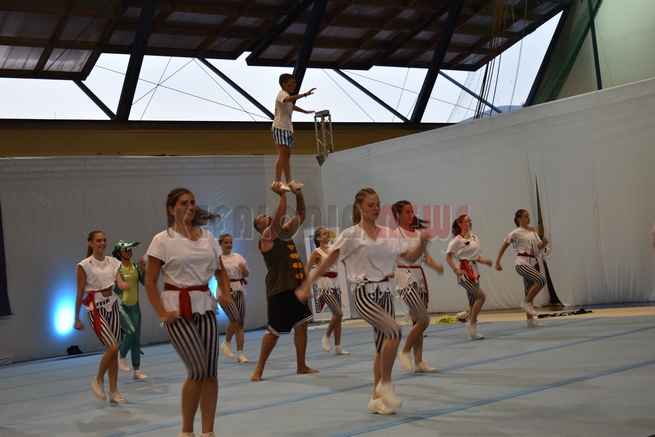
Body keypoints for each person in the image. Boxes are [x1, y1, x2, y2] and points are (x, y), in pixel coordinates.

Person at [298, 188, 429, 415]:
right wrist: (307, 284)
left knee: (381, 348)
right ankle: (385, 384)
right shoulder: (350, 235)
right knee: (394, 331)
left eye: (378, 204)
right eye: (370, 205)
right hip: (364, 293)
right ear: (359, 207)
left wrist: (422, 244)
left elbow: (409, 257)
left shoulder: (388, 233)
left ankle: (376, 399)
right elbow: (328, 260)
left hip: (385, 293)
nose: (376, 208)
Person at [144, 187, 232, 437]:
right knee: (198, 369)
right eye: (184, 203)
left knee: (211, 372)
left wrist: (225, 293)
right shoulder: (161, 240)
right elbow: (150, 282)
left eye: (192, 202)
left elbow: (220, 271)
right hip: (177, 311)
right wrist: (162, 312)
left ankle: (208, 432)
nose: (190, 206)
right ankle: (186, 431)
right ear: (172, 209)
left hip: (205, 307)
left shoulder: (208, 238)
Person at [251, 181, 318, 382]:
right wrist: (281, 195)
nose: (268, 216)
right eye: (264, 217)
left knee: (302, 326)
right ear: (260, 227)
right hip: (279, 290)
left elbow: (301, 215)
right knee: (273, 332)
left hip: (296, 288)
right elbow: (278, 220)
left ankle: (301, 366)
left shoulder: (285, 232)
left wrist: (298, 195)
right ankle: (259, 369)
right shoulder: (266, 238)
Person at [75, 230, 130, 404]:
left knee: (114, 351)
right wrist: (76, 318)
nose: (102, 243)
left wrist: (123, 284)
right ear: (90, 243)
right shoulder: (84, 265)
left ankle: (114, 392)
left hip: (112, 305)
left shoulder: (112, 262)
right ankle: (98, 379)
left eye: (104, 240)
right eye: (99, 240)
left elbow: (118, 281)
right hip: (95, 308)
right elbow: (79, 292)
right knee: (112, 347)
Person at [392, 200, 443, 373]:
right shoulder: (396, 235)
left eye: (412, 211)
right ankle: (405, 350)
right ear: (399, 215)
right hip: (406, 277)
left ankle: (419, 363)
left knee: (417, 322)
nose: (411, 214)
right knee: (423, 319)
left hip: (418, 277)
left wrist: (436, 266)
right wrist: (422, 243)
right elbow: (410, 257)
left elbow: (425, 256)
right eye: (407, 212)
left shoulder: (417, 233)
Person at [495, 209, 549, 328]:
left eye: (528, 216)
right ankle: (526, 302)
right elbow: (504, 246)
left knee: (529, 291)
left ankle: (530, 321)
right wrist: (497, 261)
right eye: (525, 216)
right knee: (541, 280)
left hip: (532, 262)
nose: (528, 218)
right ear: (519, 219)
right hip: (522, 263)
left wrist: (544, 243)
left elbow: (538, 246)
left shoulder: (532, 232)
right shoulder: (515, 233)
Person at [445, 215, 493, 340]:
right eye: (467, 221)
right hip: (464, 273)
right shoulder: (457, 240)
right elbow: (448, 257)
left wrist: (486, 261)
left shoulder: (474, 238)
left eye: (470, 220)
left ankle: (472, 329)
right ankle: (472, 324)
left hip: (474, 271)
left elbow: (477, 257)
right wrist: (455, 269)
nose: (470, 222)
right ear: (460, 224)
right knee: (481, 296)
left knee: (472, 302)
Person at [305, 227, 350, 356]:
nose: (327, 235)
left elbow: (344, 260)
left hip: (335, 283)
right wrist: (307, 287)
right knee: (338, 312)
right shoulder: (316, 252)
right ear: (319, 238)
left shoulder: (333, 249)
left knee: (338, 317)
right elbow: (307, 270)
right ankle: (326, 336)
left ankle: (338, 347)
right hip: (324, 285)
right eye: (324, 234)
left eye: (327, 233)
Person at [272, 73, 315, 190]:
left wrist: (305, 111)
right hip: (280, 127)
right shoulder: (282, 94)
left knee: (287, 155)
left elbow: (291, 105)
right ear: (284, 84)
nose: (294, 85)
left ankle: (289, 181)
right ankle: (277, 181)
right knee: (282, 154)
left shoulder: (286, 96)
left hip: (287, 128)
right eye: (291, 83)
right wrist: (305, 94)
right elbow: (288, 99)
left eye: (294, 83)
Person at [112, 240, 149, 380]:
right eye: (126, 250)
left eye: (130, 249)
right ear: (119, 252)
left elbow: (146, 283)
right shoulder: (116, 268)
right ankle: (121, 356)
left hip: (135, 306)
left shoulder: (135, 266)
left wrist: (143, 270)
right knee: (131, 331)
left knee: (136, 337)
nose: (129, 252)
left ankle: (136, 370)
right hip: (121, 305)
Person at [218, 233, 250, 364]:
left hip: (239, 290)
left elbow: (246, 274)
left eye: (230, 242)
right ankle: (226, 342)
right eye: (226, 243)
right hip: (225, 292)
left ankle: (240, 354)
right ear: (221, 244)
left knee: (240, 323)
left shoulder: (238, 257)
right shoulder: (218, 258)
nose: (229, 245)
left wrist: (243, 268)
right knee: (235, 318)